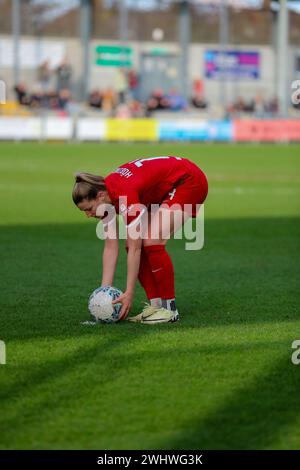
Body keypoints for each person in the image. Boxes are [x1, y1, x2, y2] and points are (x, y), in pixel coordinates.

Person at [72, 156, 208, 324]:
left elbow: (137, 249)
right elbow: (110, 247)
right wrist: (103, 294)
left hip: (188, 181)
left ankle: (170, 310)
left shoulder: (124, 193)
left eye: (89, 209)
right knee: (131, 244)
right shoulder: (107, 196)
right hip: (160, 190)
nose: (88, 215)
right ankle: (156, 306)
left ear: (100, 196)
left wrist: (129, 293)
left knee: (151, 241)